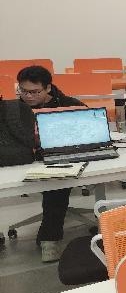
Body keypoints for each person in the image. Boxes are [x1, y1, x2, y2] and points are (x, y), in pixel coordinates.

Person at [15, 66, 87, 262]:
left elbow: (86, 125)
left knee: (56, 182)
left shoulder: (68, 104)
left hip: (62, 156)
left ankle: (50, 239)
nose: (28, 96)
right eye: (23, 91)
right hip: (23, 158)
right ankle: (49, 233)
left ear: (48, 88)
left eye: (34, 92)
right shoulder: (15, 109)